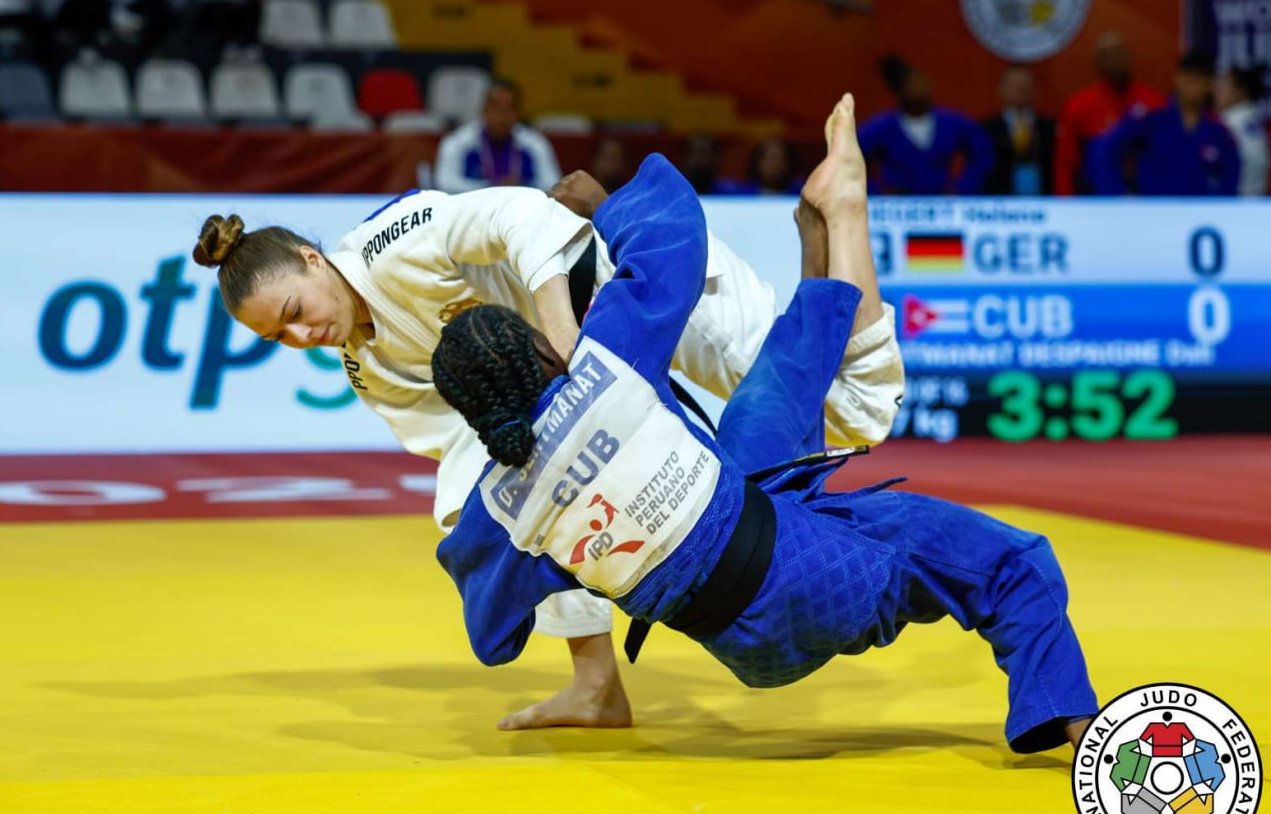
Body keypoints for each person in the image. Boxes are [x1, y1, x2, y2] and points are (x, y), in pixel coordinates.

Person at [432, 95, 1098, 754]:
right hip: (817, 580)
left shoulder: (497, 508)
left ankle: (819, 242)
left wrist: (573, 544)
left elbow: (494, 638)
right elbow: (675, 232)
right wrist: (602, 205)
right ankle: (1075, 724)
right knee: (1012, 563)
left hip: (737, 641)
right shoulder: (604, 366)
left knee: (761, 415)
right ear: (544, 350)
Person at [190, 142, 905, 731]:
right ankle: (595, 683)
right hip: (580, 390)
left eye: (292, 310)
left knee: (848, 413)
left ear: (315, 261)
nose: (299, 334)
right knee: (475, 498)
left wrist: (569, 345)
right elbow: (462, 443)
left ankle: (833, 219)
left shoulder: (387, 244)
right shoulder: (363, 365)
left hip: (635, 290)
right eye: (276, 336)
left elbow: (522, 215)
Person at [1092, 51, 1239, 196]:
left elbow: (1231, 173)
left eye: (1200, 81)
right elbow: (1107, 148)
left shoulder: (1218, 129)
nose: (1193, 87)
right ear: (1177, 78)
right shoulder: (1152, 115)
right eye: (1189, 79)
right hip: (1155, 210)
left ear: (1209, 86)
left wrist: (1218, 207)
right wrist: (1116, 194)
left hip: (1198, 212)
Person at [857, 55, 994, 195]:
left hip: (942, 203)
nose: (919, 87)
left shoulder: (952, 123)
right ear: (899, 90)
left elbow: (982, 154)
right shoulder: (881, 127)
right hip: (898, 207)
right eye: (910, 83)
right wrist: (875, 192)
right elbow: (853, 158)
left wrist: (962, 188)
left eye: (920, 80)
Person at [1054, 31, 1165, 196]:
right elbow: (1065, 164)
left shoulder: (1154, 102)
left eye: (1119, 53)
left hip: (1145, 198)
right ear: (1098, 62)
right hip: (1095, 199)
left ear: (1129, 57)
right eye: (1108, 55)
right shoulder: (1079, 106)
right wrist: (1066, 204)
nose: (1115, 60)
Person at [434, 78, 562, 194]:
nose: (502, 117)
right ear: (484, 109)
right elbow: (445, 184)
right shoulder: (458, 142)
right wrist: (491, 188)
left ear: (519, 112)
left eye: (509, 109)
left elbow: (553, 185)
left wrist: (523, 188)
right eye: (496, 108)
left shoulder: (534, 144)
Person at [981, 66, 1055, 196]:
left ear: (1035, 90)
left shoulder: (1050, 127)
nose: (1020, 90)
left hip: (1044, 199)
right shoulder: (986, 128)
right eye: (1014, 86)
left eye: (1025, 86)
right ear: (1001, 90)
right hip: (999, 201)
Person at [1216, 64, 1268, 197]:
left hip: (1234, 202)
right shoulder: (1254, 120)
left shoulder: (1228, 123)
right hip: (1254, 201)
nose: (1216, 90)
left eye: (1223, 86)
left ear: (1241, 91)